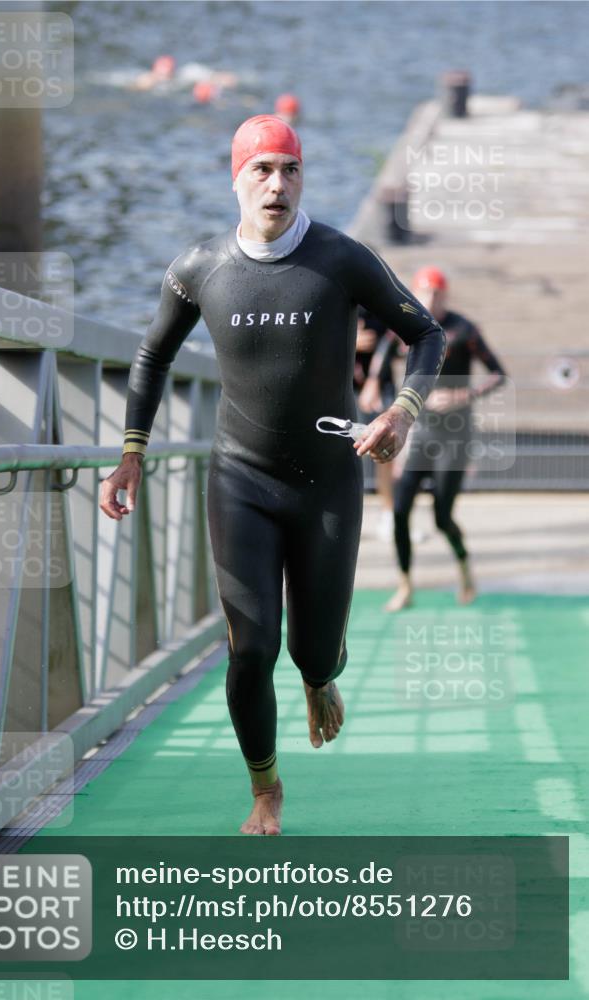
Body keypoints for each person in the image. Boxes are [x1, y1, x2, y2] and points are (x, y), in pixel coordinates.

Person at [99, 116, 446, 835]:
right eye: (261, 170)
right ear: (236, 180)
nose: (276, 184)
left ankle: (320, 676)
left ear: (301, 179)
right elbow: (151, 357)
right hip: (240, 479)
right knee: (250, 646)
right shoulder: (199, 267)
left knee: (310, 650)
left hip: (326, 481)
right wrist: (131, 450)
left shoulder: (341, 259)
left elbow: (426, 333)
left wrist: (403, 411)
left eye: (289, 169)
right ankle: (265, 790)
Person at [384, 266, 507, 612]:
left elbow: (499, 375)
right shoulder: (408, 327)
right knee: (399, 510)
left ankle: (465, 566)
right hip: (420, 432)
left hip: (455, 435)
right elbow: (383, 363)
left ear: (445, 295)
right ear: (415, 293)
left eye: (436, 293)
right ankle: (405, 585)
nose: (430, 299)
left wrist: (460, 397)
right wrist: (381, 394)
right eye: (423, 292)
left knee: (441, 517)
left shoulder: (463, 329)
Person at [353, 306, 397, 536]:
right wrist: (349, 340)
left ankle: (388, 514)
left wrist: (374, 380)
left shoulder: (376, 294)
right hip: (346, 385)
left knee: (384, 449)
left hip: (381, 384)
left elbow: (390, 338)